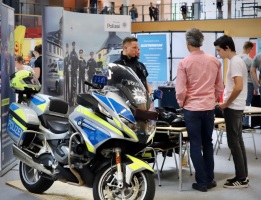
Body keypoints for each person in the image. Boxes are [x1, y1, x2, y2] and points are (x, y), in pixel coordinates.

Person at [175, 28, 223, 192]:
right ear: (201, 42)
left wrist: (181, 103)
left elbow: (181, 90)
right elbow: (219, 87)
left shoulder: (184, 63)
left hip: (192, 109)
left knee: (195, 144)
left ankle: (201, 182)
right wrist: (214, 99)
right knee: (208, 143)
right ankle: (209, 179)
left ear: (188, 42)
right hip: (209, 108)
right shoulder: (215, 61)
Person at [214, 35, 249, 188]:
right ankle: (243, 175)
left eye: (219, 50)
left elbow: (239, 86)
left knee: (234, 142)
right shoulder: (237, 61)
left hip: (233, 107)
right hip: (236, 106)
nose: (219, 54)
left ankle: (241, 179)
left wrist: (225, 104)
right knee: (238, 141)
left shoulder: (235, 62)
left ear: (227, 48)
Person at [240, 41, 256, 129]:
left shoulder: (237, 58)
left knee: (240, 102)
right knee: (247, 103)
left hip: (238, 82)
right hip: (248, 83)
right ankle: (245, 123)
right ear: (249, 48)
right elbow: (253, 73)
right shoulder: (249, 60)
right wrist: (256, 85)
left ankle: (239, 123)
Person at [69, 41, 79, 106]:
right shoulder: (71, 53)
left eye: (74, 45)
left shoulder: (76, 54)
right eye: (72, 45)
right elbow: (69, 62)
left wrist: (77, 68)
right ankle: (71, 101)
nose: (73, 46)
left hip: (75, 72)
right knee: (72, 87)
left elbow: (77, 62)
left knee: (75, 87)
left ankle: (75, 101)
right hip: (72, 73)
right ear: (72, 46)